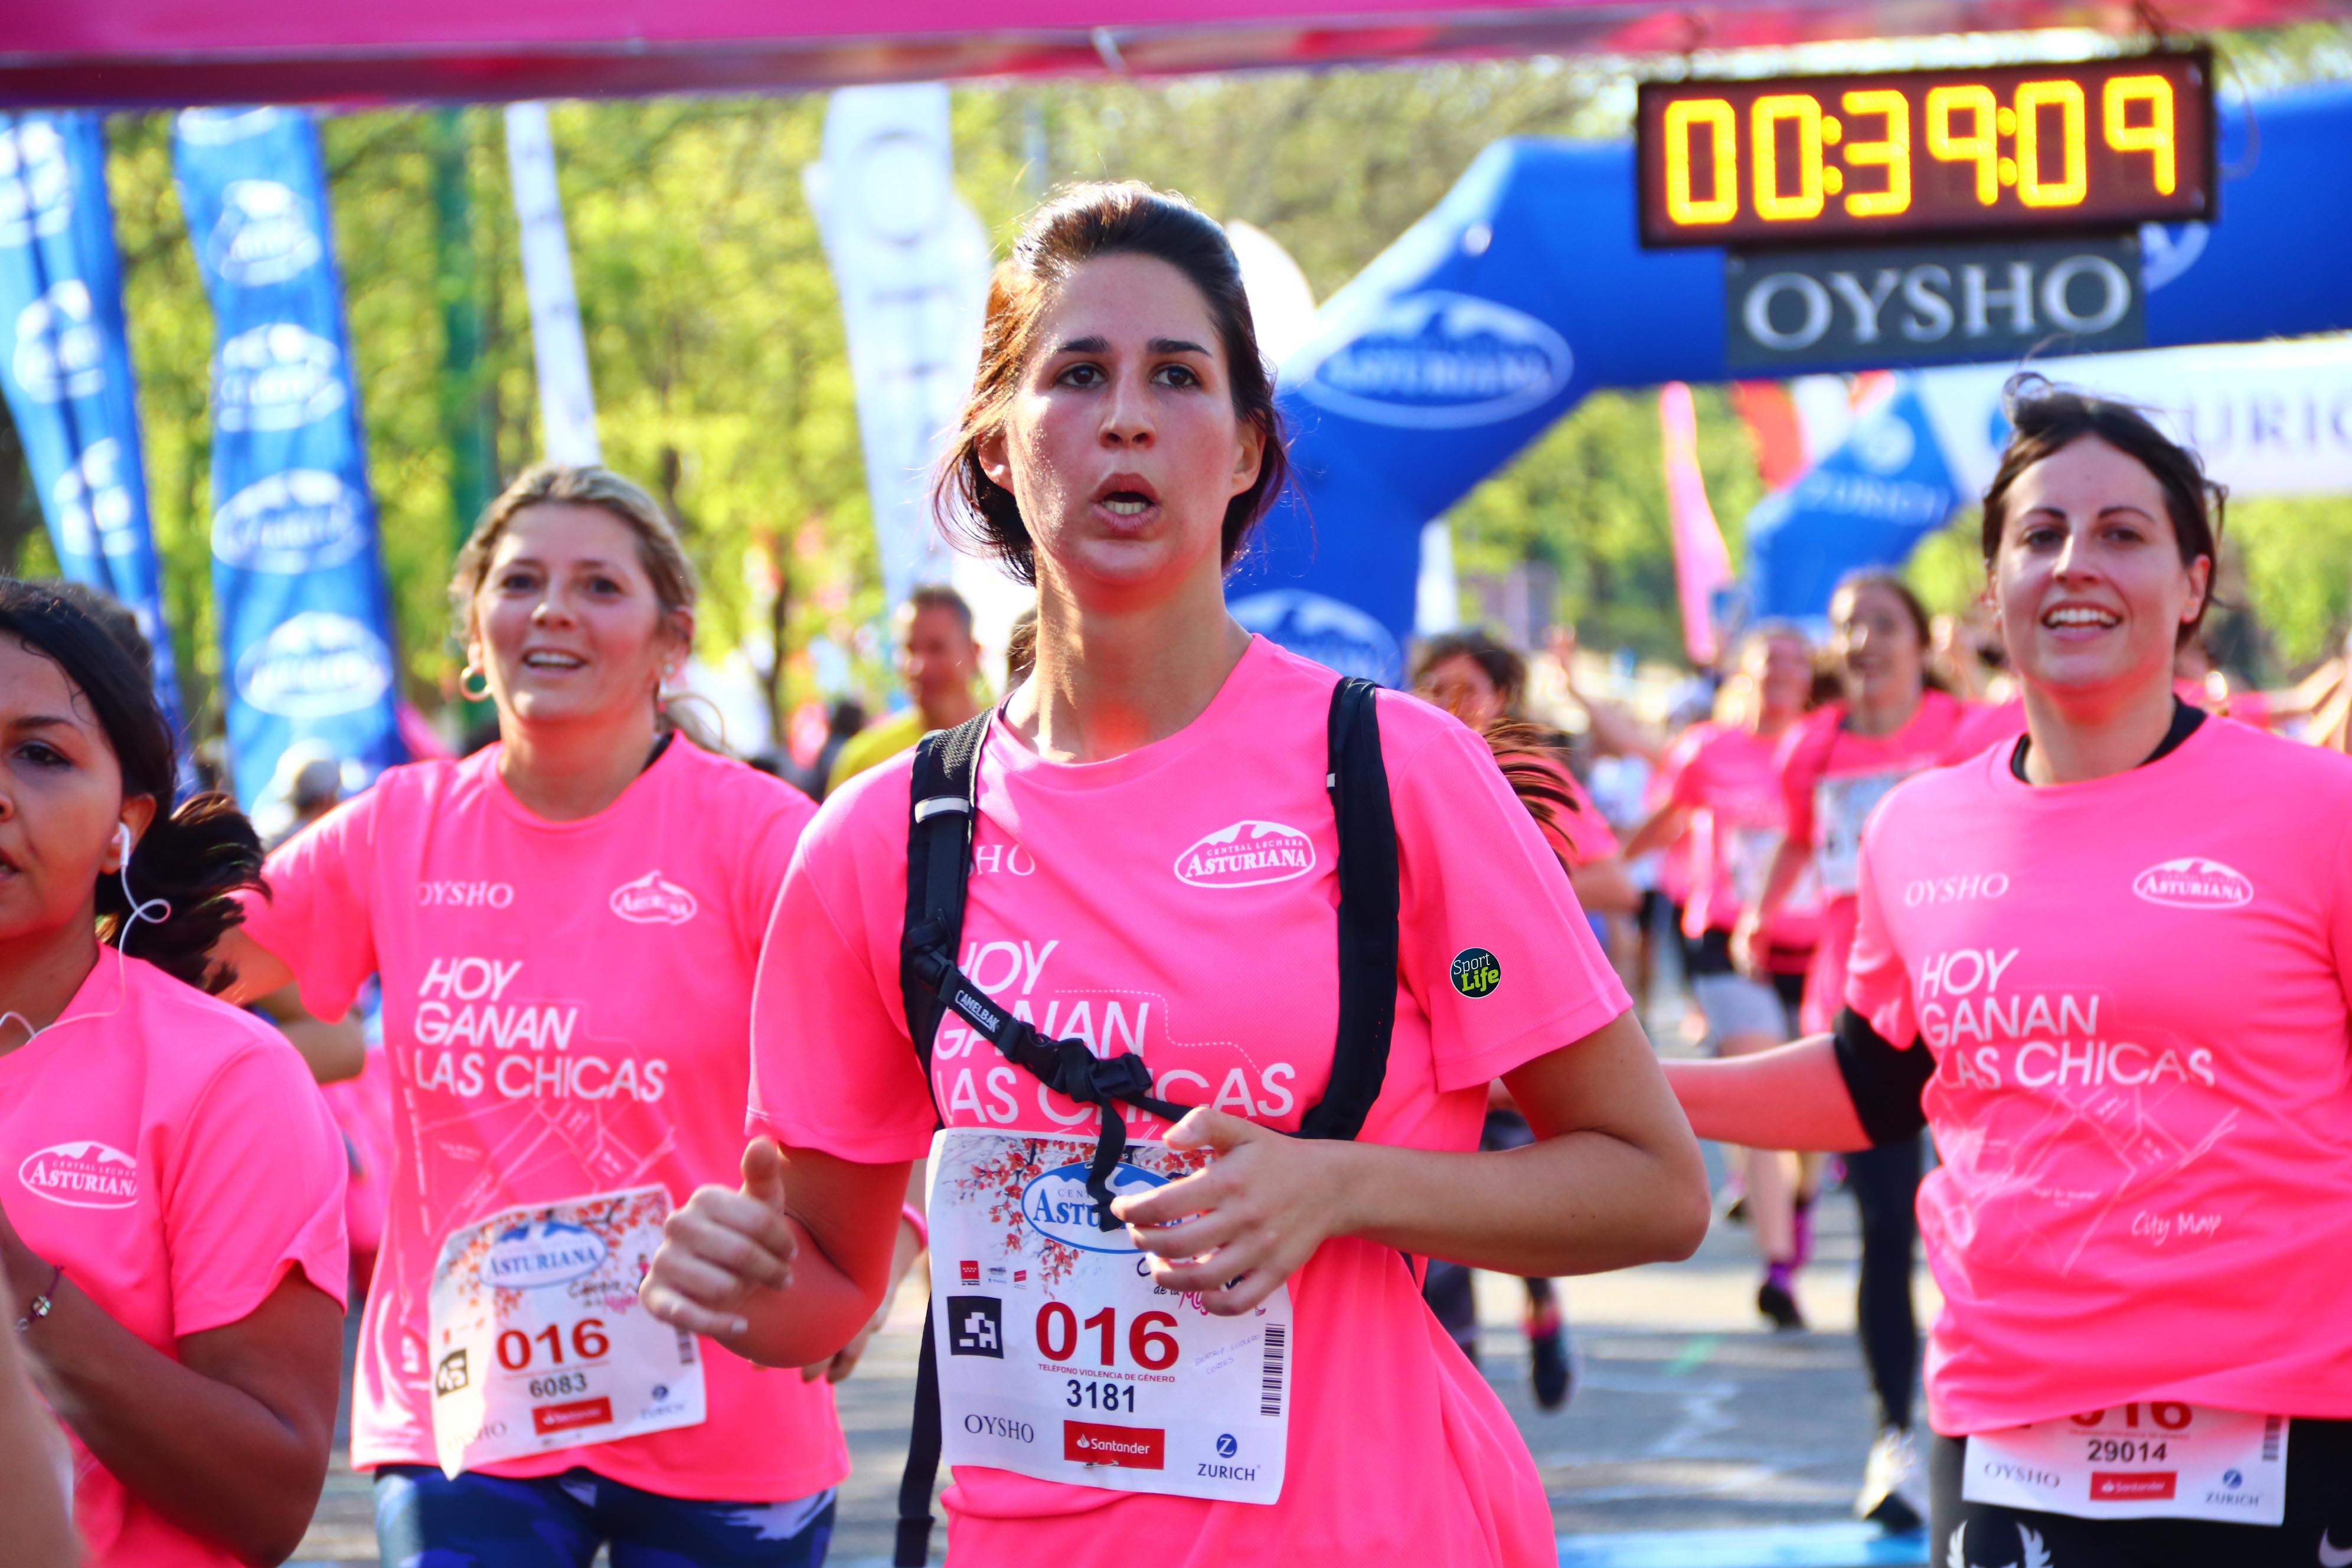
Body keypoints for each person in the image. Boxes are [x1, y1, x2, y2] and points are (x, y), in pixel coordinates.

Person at [642, 181, 1709, 1568]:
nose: (1126, 417)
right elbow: (834, 1291)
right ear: (996, 440)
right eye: (1075, 374)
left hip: (1372, 1530)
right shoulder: (881, 838)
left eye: (1177, 376)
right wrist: (744, 1284)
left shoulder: (1394, 770)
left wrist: (1340, 1186)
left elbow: (1654, 1184)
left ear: (1251, 444)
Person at [1664, 380, 2352, 1566]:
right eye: (2040, 534)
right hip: (2011, 1429)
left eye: (2124, 534)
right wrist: (1610, 1085)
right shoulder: (1914, 828)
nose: (2076, 562)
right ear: (1994, 586)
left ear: (2193, 584)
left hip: (2291, 1430)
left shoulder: (2316, 809)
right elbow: (1875, 1082)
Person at [218, 465, 909, 1566]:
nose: (551, 608)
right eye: (521, 581)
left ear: (669, 641)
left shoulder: (765, 840)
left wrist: (873, 1264)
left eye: (598, 586)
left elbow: (905, 1055)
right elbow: (179, 976)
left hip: (725, 1401)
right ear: (475, 633)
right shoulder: (397, 828)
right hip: (468, 1418)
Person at [0, 579, 349, 1567]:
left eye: (41, 753)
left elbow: (268, 1497)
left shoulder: (225, 1076)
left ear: (127, 822)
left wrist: (18, 1285)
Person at [1736, 570, 2021, 1529]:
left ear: (1914, 638)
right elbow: (1797, 840)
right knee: (1888, 1232)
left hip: (1975, 1000)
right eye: (1848, 626)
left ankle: (1996, 1423)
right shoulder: (1811, 746)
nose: (1862, 640)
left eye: (1880, 624)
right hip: (1862, 1007)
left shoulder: (1969, 729)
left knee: (1992, 1226)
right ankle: (1890, 1437)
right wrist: (1759, 911)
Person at [1411, 629, 1638, 1409]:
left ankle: (1540, 1301)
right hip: (1431, 999)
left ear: (1502, 696)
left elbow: (1616, 885)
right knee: (1444, 1192)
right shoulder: (1400, 763)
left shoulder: (1530, 772)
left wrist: (1514, 896)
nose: (1448, 702)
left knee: (1515, 1165)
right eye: (1434, 686)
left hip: (1494, 981)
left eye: (1464, 687)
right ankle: (1457, 1378)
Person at [1626, 623, 1822, 1329]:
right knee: (1761, 1082)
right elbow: (1669, 821)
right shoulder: (1708, 748)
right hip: (1725, 939)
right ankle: (1778, 1269)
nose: (1780, 672)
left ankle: (1800, 1200)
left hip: (1820, 942)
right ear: (1743, 673)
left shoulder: (1828, 745)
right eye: (1767, 662)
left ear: (1809, 675)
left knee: (1812, 1104)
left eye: (1793, 661)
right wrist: (1602, 863)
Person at [827, 586, 987, 795]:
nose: (919, 666)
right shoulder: (865, 762)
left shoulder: (1004, 747)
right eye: (910, 650)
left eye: (936, 648)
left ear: (973, 653)